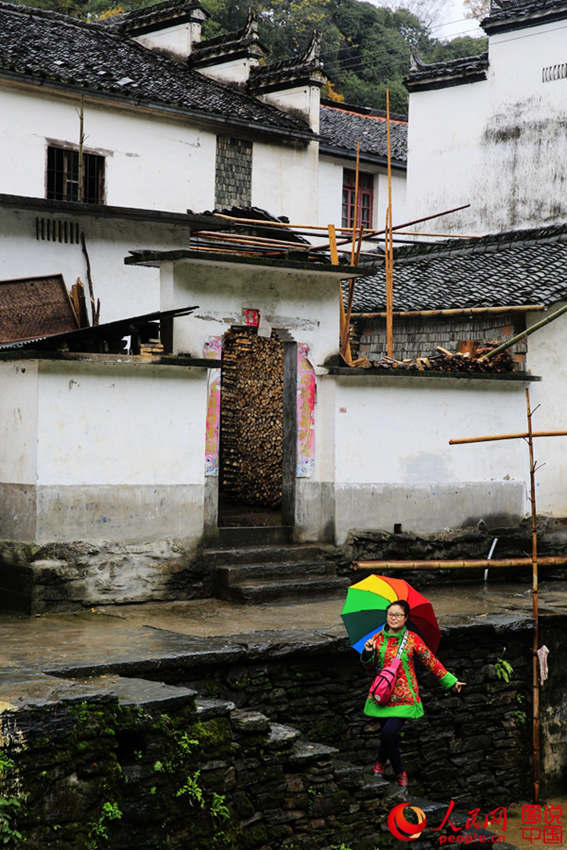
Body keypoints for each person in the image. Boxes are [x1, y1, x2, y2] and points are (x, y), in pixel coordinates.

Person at [360, 600, 465, 789]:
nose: (393, 618)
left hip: (405, 696)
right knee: (388, 736)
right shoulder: (376, 639)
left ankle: (391, 768)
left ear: (406, 618)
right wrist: (368, 652)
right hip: (383, 696)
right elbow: (369, 667)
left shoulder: (412, 639)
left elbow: (430, 661)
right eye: (390, 614)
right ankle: (387, 767)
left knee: (389, 732)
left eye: (398, 615)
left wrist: (451, 681)